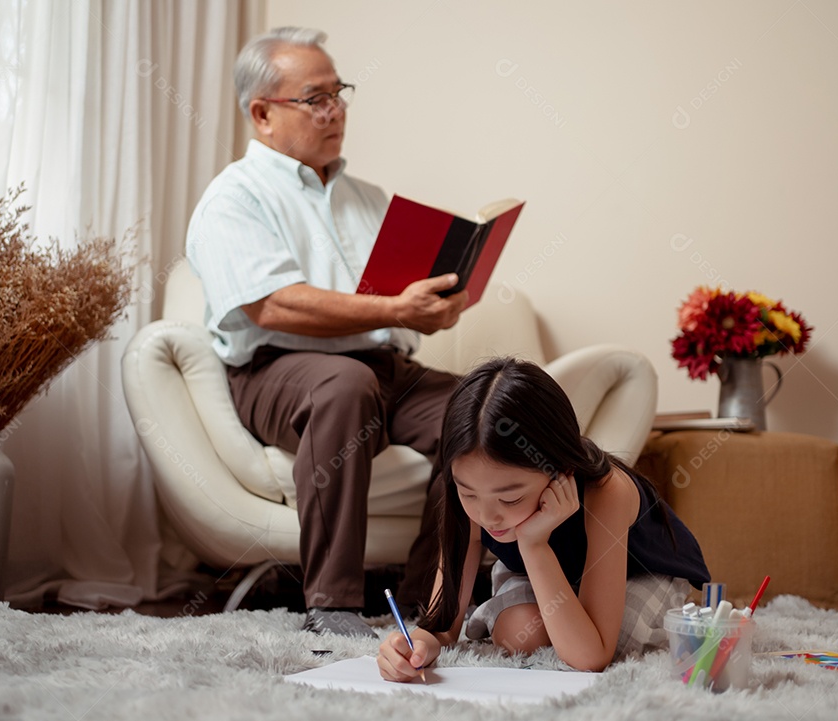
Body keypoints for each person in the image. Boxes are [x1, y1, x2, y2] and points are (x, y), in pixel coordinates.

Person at [185, 27, 467, 638]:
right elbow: (275, 307)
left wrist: (435, 307)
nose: (335, 109)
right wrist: (396, 309)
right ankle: (332, 606)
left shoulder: (369, 199)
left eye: (339, 93)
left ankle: (432, 604)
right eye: (315, 98)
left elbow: (400, 301)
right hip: (280, 371)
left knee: (482, 407)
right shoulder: (233, 197)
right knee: (343, 385)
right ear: (262, 114)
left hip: (384, 367)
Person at [377, 357, 711, 677]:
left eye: (510, 498)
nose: (488, 515)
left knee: (608, 643)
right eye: (468, 494)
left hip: (635, 571)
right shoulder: (473, 493)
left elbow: (591, 658)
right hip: (547, 566)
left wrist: (535, 546)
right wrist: (414, 647)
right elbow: (441, 626)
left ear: (559, 470)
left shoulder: (607, 492)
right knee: (519, 635)